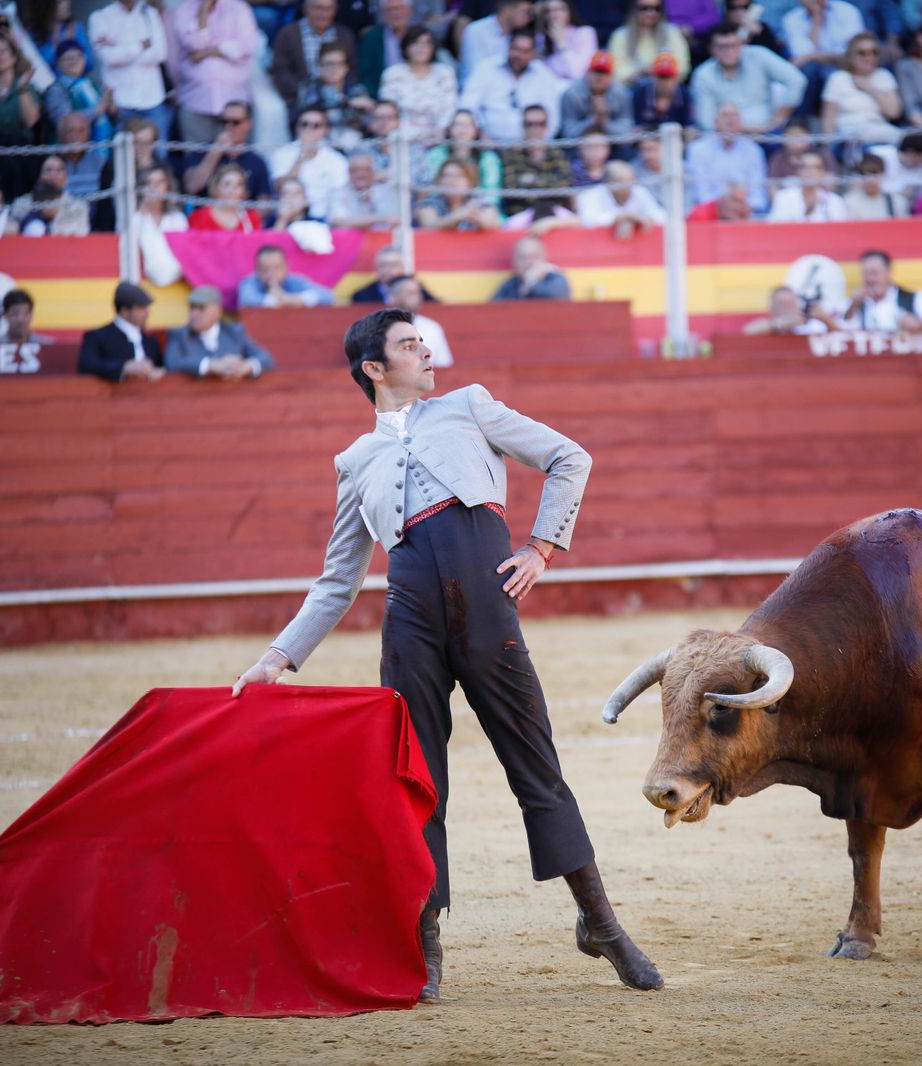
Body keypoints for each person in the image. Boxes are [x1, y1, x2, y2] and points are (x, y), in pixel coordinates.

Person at [231, 307, 663, 1004]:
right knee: (419, 780)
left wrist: (541, 546)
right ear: (374, 368)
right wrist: (278, 657)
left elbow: (568, 456)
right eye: (408, 345)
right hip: (412, 625)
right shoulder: (355, 461)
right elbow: (339, 580)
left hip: (488, 607)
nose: (425, 351)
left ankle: (602, 922)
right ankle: (426, 943)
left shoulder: (469, 406)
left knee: (536, 763)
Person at [169, 0, 260, 145]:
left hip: (233, 101)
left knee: (233, 161)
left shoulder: (238, 8)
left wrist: (208, 51)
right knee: (197, 159)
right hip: (195, 99)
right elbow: (195, 44)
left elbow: (246, 46)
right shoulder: (183, 11)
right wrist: (203, 12)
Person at [459, 28, 565, 145]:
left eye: (525, 51)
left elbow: (553, 118)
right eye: (516, 49)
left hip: (530, 147)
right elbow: (467, 105)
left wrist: (540, 143)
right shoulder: (486, 68)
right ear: (508, 47)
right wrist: (479, 130)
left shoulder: (543, 74)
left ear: (533, 53)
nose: (519, 56)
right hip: (489, 145)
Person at [690, 26, 805, 133]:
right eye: (722, 47)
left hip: (765, 133)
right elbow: (705, 120)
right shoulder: (703, 74)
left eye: (733, 45)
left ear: (742, 45)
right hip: (724, 137)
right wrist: (735, 129)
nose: (728, 51)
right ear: (712, 49)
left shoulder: (759, 55)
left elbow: (796, 80)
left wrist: (779, 118)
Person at [88, 0, 171, 142]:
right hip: (121, 101)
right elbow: (108, 58)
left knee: (159, 153)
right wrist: (141, 46)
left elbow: (160, 53)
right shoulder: (100, 17)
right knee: (124, 156)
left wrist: (119, 47)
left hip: (152, 99)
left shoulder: (150, 14)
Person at [273, 0, 359, 121]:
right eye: (318, 8)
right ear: (306, 9)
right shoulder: (288, 34)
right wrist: (308, 93)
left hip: (340, 99)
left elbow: (353, 69)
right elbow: (281, 72)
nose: (323, 13)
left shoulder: (345, 34)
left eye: (328, 8)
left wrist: (342, 94)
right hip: (300, 101)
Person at [167, 284, 277, 379]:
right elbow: (172, 363)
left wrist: (247, 366)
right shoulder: (179, 334)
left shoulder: (235, 332)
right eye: (192, 308)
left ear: (218, 311)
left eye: (201, 308)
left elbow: (266, 358)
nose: (194, 314)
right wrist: (211, 366)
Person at [841, 249, 922, 332]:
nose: (870, 279)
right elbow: (839, 331)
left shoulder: (914, 298)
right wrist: (853, 307)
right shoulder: (856, 303)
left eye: (875, 273)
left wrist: (921, 325)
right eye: (866, 274)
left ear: (889, 272)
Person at [820, 30, 902, 146]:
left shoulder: (884, 75)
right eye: (862, 53)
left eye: (874, 52)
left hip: (880, 131)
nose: (869, 57)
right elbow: (829, 117)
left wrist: (870, 88)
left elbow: (893, 112)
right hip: (849, 135)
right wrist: (829, 146)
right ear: (851, 57)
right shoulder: (838, 78)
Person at [378, 24, 456, 145]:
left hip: (439, 138)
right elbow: (388, 111)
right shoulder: (393, 74)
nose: (421, 48)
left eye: (427, 43)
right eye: (416, 43)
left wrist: (439, 134)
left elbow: (450, 109)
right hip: (400, 139)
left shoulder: (444, 73)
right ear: (406, 46)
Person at [782, 0, 867, 112]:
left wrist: (811, 56)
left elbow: (853, 53)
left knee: (832, 75)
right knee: (809, 70)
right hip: (813, 72)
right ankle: (799, 123)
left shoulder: (847, 11)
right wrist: (816, 22)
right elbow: (803, 56)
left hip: (845, 67)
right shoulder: (791, 19)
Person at [686, 102, 768, 213]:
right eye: (725, 115)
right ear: (716, 122)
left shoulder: (753, 150)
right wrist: (724, 208)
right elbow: (701, 193)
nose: (731, 120)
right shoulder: (698, 149)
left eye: (734, 116)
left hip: (746, 213)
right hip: (711, 213)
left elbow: (758, 195)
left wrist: (741, 207)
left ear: (741, 122)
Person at [182, 100, 272, 199]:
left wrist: (247, 215)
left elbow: (264, 202)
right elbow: (192, 187)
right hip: (206, 212)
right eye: (224, 122)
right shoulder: (202, 150)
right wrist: (216, 151)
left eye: (235, 122)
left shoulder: (257, 161)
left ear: (248, 124)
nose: (228, 127)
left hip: (242, 213)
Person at [270, 107, 351, 215]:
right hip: (291, 216)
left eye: (316, 125)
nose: (309, 129)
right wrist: (302, 156)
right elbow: (280, 187)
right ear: (297, 127)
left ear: (325, 130)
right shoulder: (282, 154)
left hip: (325, 218)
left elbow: (341, 196)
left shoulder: (337, 160)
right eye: (304, 124)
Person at [77, 282, 165, 382]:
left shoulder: (150, 341)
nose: (147, 312)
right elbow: (86, 366)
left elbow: (162, 367)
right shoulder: (97, 337)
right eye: (141, 307)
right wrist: (125, 366)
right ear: (124, 311)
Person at [499, 104, 573, 219]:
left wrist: (532, 180)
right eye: (529, 124)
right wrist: (547, 187)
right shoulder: (511, 154)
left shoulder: (557, 153)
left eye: (540, 124)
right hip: (522, 213)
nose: (535, 129)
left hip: (553, 213)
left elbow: (564, 185)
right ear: (523, 126)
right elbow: (511, 187)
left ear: (546, 127)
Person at [422, 109, 502, 205]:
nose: (462, 130)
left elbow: (491, 194)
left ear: (476, 130)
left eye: (468, 125)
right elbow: (432, 187)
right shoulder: (436, 154)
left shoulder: (488, 158)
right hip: (442, 204)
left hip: (477, 206)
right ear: (450, 129)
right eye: (457, 125)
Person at [606, 0, 690, 85]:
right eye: (644, 8)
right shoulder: (620, 35)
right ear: (634, 9)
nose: (651, 12)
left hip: (666, 87)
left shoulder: (672, 32)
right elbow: (615, 69)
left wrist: (660, 72)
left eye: (656, 8)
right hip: (630, 89)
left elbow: (682, 68)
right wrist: (640, 72)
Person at [575, 159, 665, 237]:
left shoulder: (638, 191)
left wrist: (636, 219)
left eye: (631, 182)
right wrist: (621, 218)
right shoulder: (589, 195)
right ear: (608, 182)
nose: (628, 188)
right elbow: (587, 220)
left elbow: (661, 216)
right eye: (623, 183)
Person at [134, 163, 189, 286]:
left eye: (160, 182)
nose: (155, 187)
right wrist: (143, 210)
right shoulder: (135, 218)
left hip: (178, 282)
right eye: (150, 182)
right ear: (142, 188)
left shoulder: (178, 218)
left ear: (167, 187)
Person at [560, 49, 633, 140]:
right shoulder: (572, 94)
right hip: (580, 145)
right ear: (587, 72)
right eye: (596, 71)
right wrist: (593, 120)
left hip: (612, 144)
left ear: (612, 76)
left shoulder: (620, 93)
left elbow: (626, 132)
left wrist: (604, 122)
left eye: (604, 73)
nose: (599, 77)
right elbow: (568, 133)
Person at [237, 243, 338, 308]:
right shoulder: (249, 282)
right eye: (265, 269)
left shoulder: (296, 281)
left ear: (286, 267)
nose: (271, 274)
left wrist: (292, 299)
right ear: (257, 270)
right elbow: (247, 299)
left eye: (277, 268)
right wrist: (275, 300)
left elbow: (328, 296)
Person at [417, 158, 503, 231]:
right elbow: (428, 227)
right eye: (447, 176)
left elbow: (495, 224)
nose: (452, 181)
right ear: (439, 180)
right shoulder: (428, 203)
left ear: (470, 182)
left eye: (459, 176)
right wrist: (458, 215)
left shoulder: (480, 201)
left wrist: (477, 218)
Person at [461, 0, 537, 82]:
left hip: (511, 88)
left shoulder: (520, 35)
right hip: (478, 89)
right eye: (526, 12)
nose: (530, 18)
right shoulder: (476, 30)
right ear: (508, 10)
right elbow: (476, 72)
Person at [387, 272, 453, 366]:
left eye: (418, 292)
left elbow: (445, 364)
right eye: (410, 293)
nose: (418, 297)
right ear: (392, 297)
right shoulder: (379, 328)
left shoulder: (432, 328)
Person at [766, 150, 847, 221]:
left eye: (815, 167)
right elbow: (775, 228)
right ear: (798, 171)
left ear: (823, 172)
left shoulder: (835, 202)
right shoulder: (784, 198)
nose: (809, 172)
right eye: (804, 167)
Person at [326, 150, 398, 229]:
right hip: (351, 239)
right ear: (348, 173)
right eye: (355, 170)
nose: (360, 174)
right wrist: (380, 219)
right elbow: (339, 221)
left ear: (373, 172)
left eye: (366, 169)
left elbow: (395, 219)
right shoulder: (338, 193)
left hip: (383, 238)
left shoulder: (386, 191)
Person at [356, 0, 413, 98]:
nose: (396, 13)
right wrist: (377, 97)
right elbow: (366, 73)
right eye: (391, 9)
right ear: (383, 12)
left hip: (415, 92)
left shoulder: (420, 35)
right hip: (382, 95)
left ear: (410, 10)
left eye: (400, 8)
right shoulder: (371, 37)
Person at [491, 234, 570, 299]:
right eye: (522, 257)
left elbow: (559, 297)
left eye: (534, 256)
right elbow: (492, 309)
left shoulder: (555, 278)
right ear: (514, 261)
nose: (529, 262)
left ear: (544, 258)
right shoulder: (511, 284)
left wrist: (532, 283)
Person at [537, 0, 596, 80]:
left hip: (576, 87)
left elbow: (577, 74)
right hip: (549, 88)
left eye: (559, 9)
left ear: (569, 10)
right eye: (548, 11)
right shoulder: (542, 37)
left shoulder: (585, 32)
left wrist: (561, 42)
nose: (553, 14)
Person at [629, 50, 689, 128]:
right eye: (661, 77)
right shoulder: (640, 94)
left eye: (669, 77)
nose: (665, 82)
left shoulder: (685, 94)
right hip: (647, 138)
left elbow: (690, 126)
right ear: (653, 77)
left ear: (676, 78)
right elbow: (636, 126)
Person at [842, 151, 909, 218]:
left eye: (874, 172)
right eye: (863, 173)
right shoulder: (848, 202)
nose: (869, 179)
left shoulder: (898, 202)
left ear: (883, 173)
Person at [743, 284, 829, 335]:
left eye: (790, 304)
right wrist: (781, 324)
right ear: (772, 307)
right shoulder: (764, 326)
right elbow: (748, 332)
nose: (787, 309)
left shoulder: (812, 327)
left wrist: (826, 319)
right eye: (782, 304)